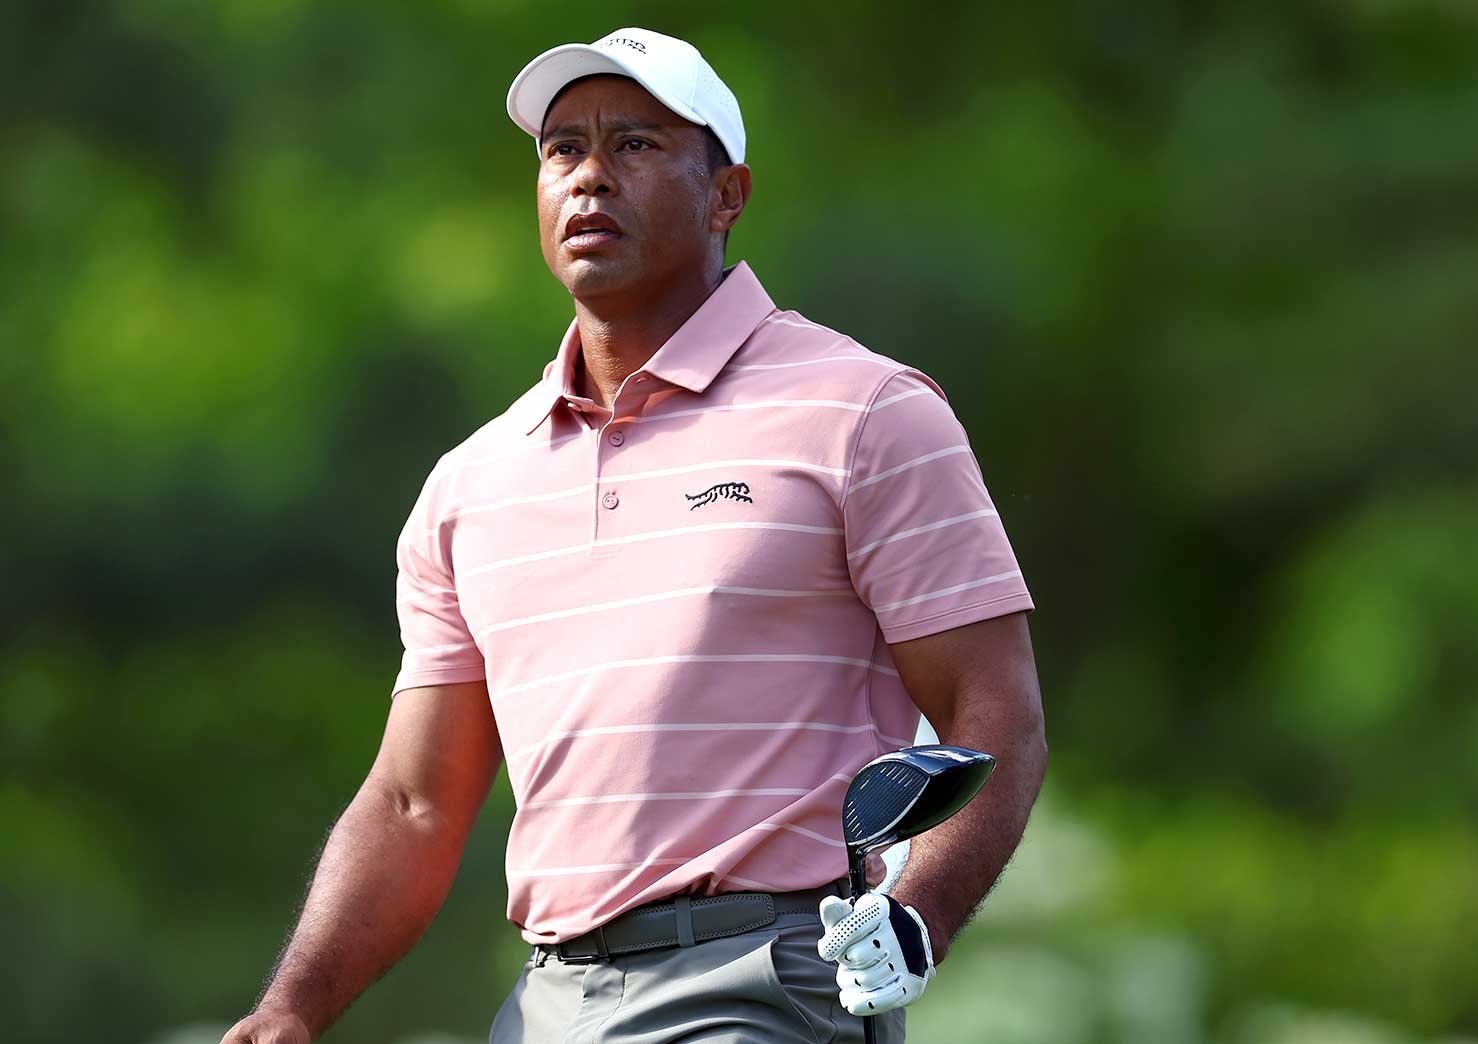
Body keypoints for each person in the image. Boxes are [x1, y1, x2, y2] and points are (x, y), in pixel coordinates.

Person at [221, 25, 1046, 1044]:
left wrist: (915, 917)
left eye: (637, 146)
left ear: (726, 195)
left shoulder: (864, 412)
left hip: (764, 984)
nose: (590, 177)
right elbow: (412, 807)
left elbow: (992, 712)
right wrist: (292, 1008)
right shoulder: (473, 485)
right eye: (562, 149)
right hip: (547, 1003)